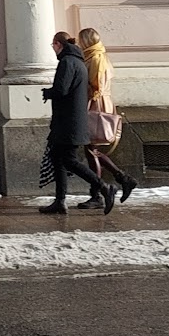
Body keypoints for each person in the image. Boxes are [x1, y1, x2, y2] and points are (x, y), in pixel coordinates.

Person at [39, 31, 112, 215]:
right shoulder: (78, 60)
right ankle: (60, 201)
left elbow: (62, 89)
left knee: (69, 160)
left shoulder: (67, 62)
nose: (53, 49)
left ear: (58, 44)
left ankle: (104, 187)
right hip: (71, 120)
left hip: (68, 121)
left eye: (53, 45)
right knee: (58, 158)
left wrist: (48, 92)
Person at [76, 26, 137, 208]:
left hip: (96, 105)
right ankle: (121, 179)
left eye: (81, 40)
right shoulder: (94, 56)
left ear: (86, 41)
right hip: (97, 103)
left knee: (91, 149)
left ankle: (99, 194)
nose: (79, 43)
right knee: (91, 149)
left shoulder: (96, 58)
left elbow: (96, 86)